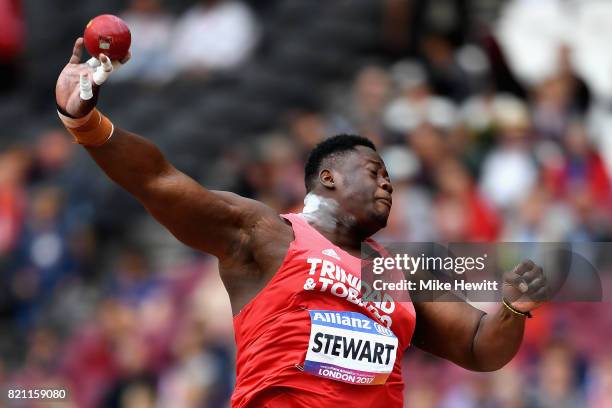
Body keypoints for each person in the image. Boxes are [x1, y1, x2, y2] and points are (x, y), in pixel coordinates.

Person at [54, 38, 548, 407]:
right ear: (328, 177)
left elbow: (480, 347)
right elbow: (159, 180)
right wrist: (87, 124)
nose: (388, 185)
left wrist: (512, 308)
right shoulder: (266, 234)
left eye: (390, 178)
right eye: (376, 172)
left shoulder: (396, 274)